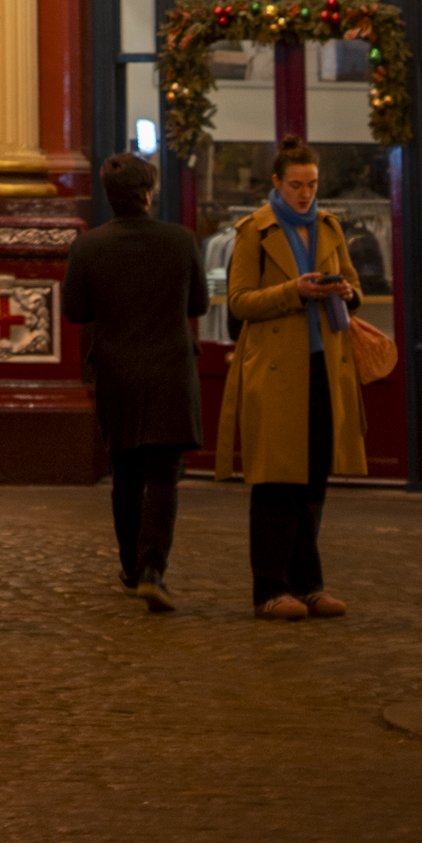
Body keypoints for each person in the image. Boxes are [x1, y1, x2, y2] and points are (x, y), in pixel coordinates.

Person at [217, 134, 366, 617]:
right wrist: (292, 291)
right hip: (276, 372)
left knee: (313, 479)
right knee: (276, 481)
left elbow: (355, 284)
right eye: (297, 185)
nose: (306, 193)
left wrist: (345, 292)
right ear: (277, 183)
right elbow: (238, 302)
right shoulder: (253, 232)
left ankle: (310, 583)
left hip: (324, 365)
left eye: (313, 184)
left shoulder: (329, 226)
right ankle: (269, 588)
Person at [60, 149, 208, 610]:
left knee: (125, 472)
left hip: (118, 371)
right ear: (148, 194)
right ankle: (152, 567)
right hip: (168, 370)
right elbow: (199, 304)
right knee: (164, 475)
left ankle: (129, 566)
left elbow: (75, 311)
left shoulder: (88, 246)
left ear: (109, 197)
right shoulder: (180, 241)